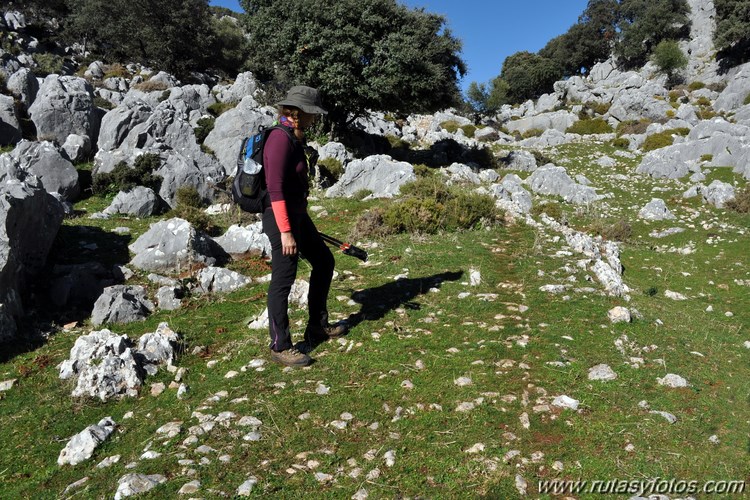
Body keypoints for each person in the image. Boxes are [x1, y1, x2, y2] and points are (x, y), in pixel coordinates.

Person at [262, 85, 347, 367]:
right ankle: (280, 345)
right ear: (298, 112)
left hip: (298, 215)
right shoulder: (279, 138)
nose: (316, 118)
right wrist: (286, 231)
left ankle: (317, 326)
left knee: (324, 261)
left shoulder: (294, 136)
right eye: (313, 113)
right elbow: (275, 189)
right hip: (280, 218)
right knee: (283, 279)